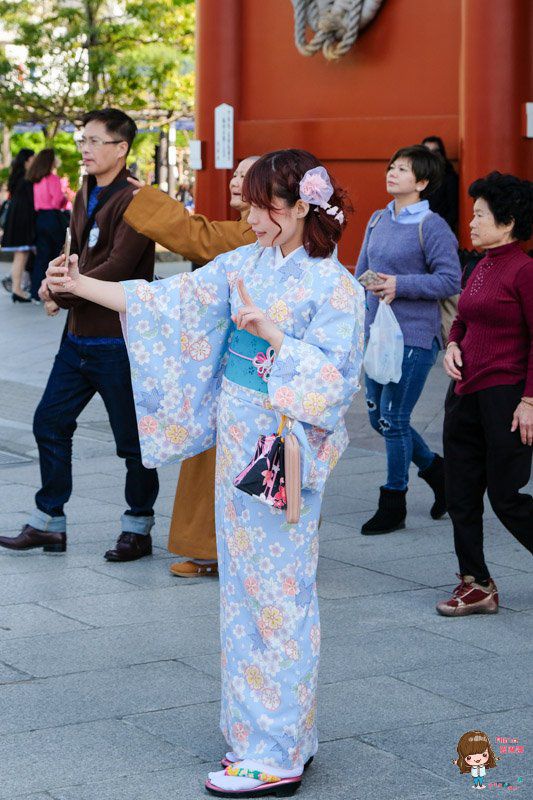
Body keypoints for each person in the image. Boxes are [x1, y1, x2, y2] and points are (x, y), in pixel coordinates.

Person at [46, 149, 365, 798]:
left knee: (278, 598)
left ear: (302, 206)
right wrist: (81, 286)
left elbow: (333, 386)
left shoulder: (335, 286)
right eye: (246, 204)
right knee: (243, 597)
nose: (248, 218)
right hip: (236, 438)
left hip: (281, 447)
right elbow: (164, 302)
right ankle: (264, 736)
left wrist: (276, 338)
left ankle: (276, 749)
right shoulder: (241, 265)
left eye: (260, 206)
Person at [0, 108, 159, 562]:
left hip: (116, 342)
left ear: (121, 148)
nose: (84, 149)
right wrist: (54, 277)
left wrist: (59, 294)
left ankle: (138, 527)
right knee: (48, 423)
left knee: (133, 442)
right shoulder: (85, 191)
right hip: (77, 341)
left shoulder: (137, 199)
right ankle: (49, 522)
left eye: (93, 141)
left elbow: (118, 269)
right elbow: (75, 254)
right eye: (81, 140)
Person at [124, 156, 259, 578]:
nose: (236, 181)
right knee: (211, 452)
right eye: (235, 173)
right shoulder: (245, 231)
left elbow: (195, 235)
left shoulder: (254, 236)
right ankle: (213, 547)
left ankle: (232, 549)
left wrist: (145, 198)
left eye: (248, 176)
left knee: (241, 455)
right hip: (226, 358)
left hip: (252, 364)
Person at [437, 172, 533, 617]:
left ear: (508, 222)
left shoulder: (526, 270)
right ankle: (476, 584)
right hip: (464, 395)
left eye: (480, 215)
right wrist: (453, 345)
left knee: (507, 498)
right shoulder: (479, 265)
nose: (471, 223)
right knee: (460, 493)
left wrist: (530, 401)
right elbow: (463, 320)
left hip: (505, 398)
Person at [355, 145, 462, 535]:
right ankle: (438, 472)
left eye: (403, 169)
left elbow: (450, 280)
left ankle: (393, 501)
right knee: (375, 416)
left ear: (422, 182)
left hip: (415, 336)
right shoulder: (377, 218)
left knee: (394, 419)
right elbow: (363, 271)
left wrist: (401, 285)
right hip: (377, 333)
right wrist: (367, 298)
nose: (392, 173)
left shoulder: (431, 226)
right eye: (391, 166)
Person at [26, 149, 69, 301]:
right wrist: (64, 199)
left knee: (41, 257)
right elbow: (57, 200)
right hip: (52, 217)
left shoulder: (36, 180)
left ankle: (35, 292)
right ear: (50, 161)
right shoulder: (53, 178)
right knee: (56, 255)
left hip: (40, 218)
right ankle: (53, 291)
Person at [0, 148, 36, 301]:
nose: (34, 161)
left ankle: (17, 288)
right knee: (21, 255)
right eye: (33, 158)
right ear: (27, 160)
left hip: (16, 219)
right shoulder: (26, 178)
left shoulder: (16, 176)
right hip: (22, 220)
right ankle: (17, 289)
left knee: (20, 256)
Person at [422, 136, 459, 231]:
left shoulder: (450, 178)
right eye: (427, 151)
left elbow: (453, 212)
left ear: (441, 154)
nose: (431, 155)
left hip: (439, 231)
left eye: (435, 151)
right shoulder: (416, 177)